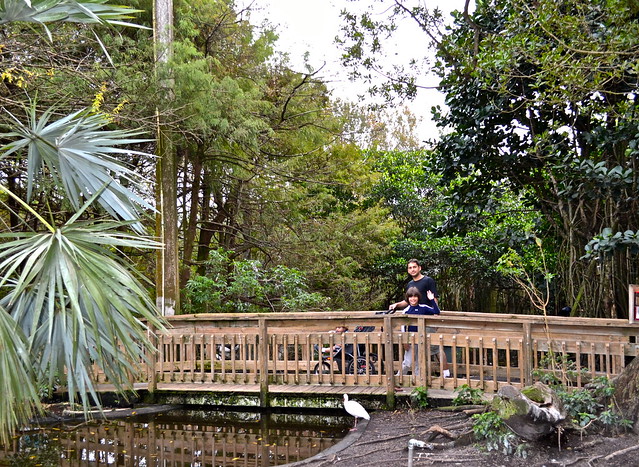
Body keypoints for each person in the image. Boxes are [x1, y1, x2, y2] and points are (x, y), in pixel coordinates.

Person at [399, 287, 450, 377]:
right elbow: (403, 326)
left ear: (418, 297)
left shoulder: (423, 308)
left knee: (419, 361)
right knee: (407, 362)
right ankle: (399, 378)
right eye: (410, 297)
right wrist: (404, 341)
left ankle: (419, 381)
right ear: (408, 298)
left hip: (421, 339)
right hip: (411, 339)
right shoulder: (406, 311)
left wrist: (431, 300)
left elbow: (436, 311)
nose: (413, 299)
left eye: (415, 296)